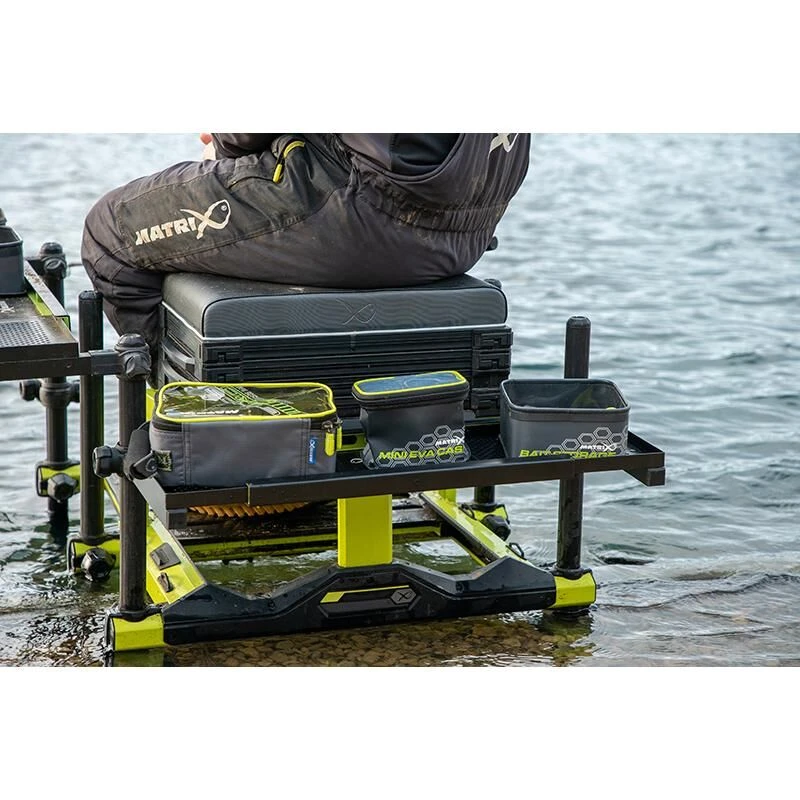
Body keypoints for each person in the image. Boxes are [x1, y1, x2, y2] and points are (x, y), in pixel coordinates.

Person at [81, 133, 531, 374]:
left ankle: (192, 432)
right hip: (467, 232)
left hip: (360, 215)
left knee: (110, 233)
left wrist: (222, 145)